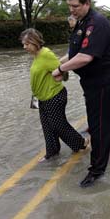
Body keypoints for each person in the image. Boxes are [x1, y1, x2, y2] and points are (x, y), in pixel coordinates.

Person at [51, 0, 110, 187]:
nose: (72, 10)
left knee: (98, 124)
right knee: (108, 112)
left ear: (87, 3)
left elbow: (86, 57)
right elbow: (77, 52)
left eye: (75, 6)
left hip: (103, 79)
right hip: (92, 80)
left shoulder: (97, 23)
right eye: (69, 6)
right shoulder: (81, 23)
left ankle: (97, 171)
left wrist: (61, 69)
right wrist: (60, 63)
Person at [20, 28, 89, 162]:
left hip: (55, 96)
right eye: (23, 44)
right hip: (42, 98)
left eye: (26, 44)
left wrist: (60, 76)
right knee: (47, 126)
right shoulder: (37, 56)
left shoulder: (46, 54)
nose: (24, 47)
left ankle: (82, 143)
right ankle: (52, 153)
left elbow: (64, 71)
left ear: (35, 42)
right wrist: (34, 100)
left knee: (58, 125)